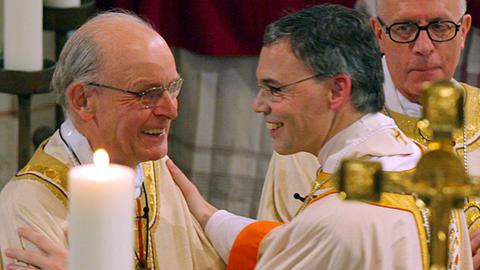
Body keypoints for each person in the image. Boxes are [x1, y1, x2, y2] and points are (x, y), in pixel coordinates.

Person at [168, 4, 462, 269]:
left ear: (336, 90)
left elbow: (312, 241)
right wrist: (209, 216)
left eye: (275, 89)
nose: (258, 105)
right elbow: (291, 244)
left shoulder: (336, 221)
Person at [258, 1, 479, 268]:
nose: (424, 46)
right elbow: (281, 245)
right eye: (405, 28)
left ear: (464, 30)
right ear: (378, 34)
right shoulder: (317, 131)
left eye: (441, 27)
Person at [0, 11, 224, 270]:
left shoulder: (155, 168)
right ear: (82, 100)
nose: (171, 110)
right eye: (147, 94)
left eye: (173, 87)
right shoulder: (29, 211)